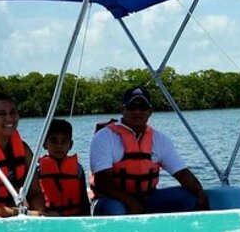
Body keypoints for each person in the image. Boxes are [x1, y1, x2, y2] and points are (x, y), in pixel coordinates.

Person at [88, 85, 209, 215]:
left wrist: (199, 193)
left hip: (148, 197)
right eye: (132, 107)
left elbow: (182, 174)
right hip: (112, 199)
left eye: (143, 107)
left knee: (190, 198)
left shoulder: (160, 139)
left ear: (150, 111)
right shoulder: (104, 137)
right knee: (115, 210)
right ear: (122, 109)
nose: (137, 111)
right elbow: (103, 183)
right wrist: (130, 202)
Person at [35, 118, 90, 216]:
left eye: (64, 141)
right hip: (48, 219)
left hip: (73, 219)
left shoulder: (78, 170)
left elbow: (84, 202)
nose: (59, 146)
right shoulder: (37, 172)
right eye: (53, 141)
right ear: (44, 144)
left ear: (71, 145)